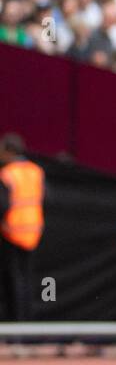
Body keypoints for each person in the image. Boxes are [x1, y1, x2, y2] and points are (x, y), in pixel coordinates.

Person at [0, 133, 43, 321]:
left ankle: (16, 329)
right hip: (33, 234)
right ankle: (26, 328)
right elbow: (46, 199)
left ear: (9, 151)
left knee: (13, 283)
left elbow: (3, 204)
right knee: (26, 281)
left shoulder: (7, 174)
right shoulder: (36, 171)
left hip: (11, 234)